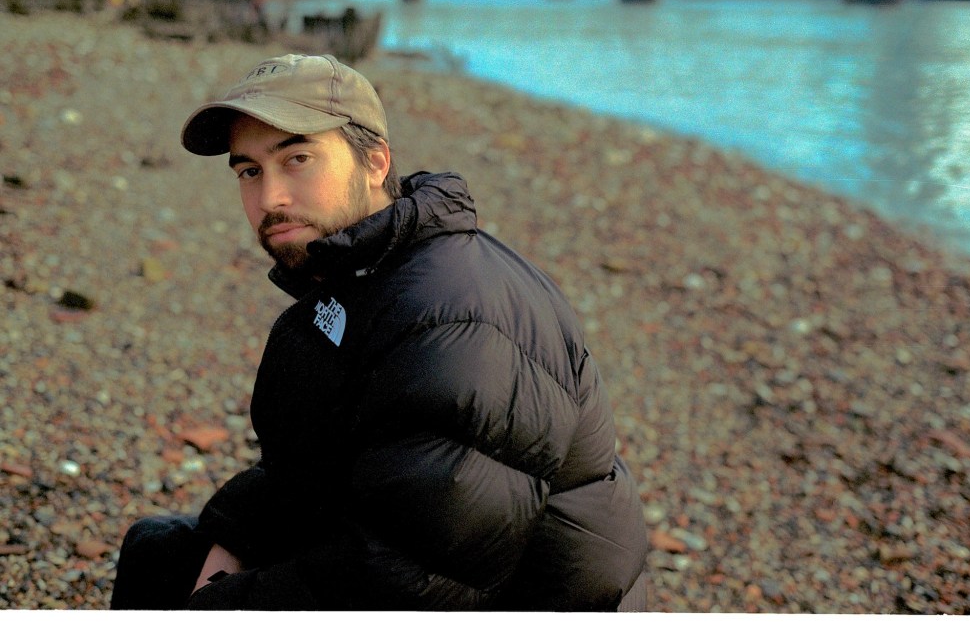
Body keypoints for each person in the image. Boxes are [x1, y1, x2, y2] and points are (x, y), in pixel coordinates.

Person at [110, 53, 649, 611]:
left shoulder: (458, 319)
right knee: (157, 555)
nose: (269, 198)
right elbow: (303, 469)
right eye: (250, 171)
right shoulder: (355, 279)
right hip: (410, 561)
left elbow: (414, 580)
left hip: (503, 601)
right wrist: (230, 537)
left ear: (375, 162)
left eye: (297, 158)